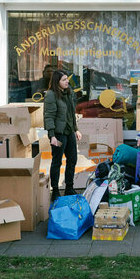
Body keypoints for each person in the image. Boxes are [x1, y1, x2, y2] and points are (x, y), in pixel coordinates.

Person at [44, 69, 82, 201]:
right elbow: (48, 116)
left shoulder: (69, 93)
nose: (67, 82)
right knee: (57, 162)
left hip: (69, 131)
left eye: (67, 79)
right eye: (64, 80)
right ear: (57, 82)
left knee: (72, 159)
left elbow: (72, 113)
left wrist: (76, 129)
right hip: (58, 134)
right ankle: (55, 191)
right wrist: (52, 135)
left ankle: (69, 187)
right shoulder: (51, 95)